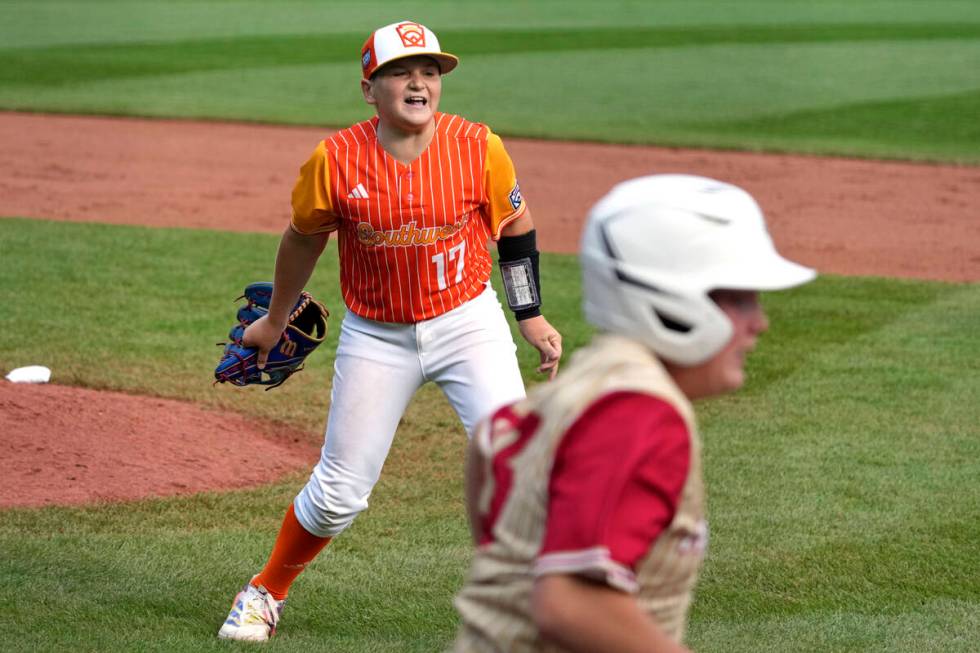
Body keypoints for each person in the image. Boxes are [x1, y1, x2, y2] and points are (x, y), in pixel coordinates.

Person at [217, 20, 562, 642]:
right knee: (338, 495)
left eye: (429, 71)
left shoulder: (479, 146)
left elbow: (516, 225)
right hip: (377, 337)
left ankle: (547, 601)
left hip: (468, 325)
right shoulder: (335, 160)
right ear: (369, 88)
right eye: (402, 71)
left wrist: (529, 313)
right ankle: (265, 590)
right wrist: (273, 321)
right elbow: (303, 239)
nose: (419, 82)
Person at [452, 174, 816, 652]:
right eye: (740, 299)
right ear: (672, 299)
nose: (759, 323)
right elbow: (569, 603)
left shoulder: (592, 381)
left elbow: (492, 446)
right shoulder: (640, 410)